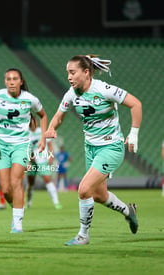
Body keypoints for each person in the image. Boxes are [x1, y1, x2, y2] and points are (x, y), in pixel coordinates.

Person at [45, 54, 142, 246]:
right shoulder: (71, 94)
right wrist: (51, 128)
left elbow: (135, 104)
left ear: (86, 72)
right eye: (67, 73)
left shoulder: (104, 89)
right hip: (90, 148)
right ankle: (127, 211)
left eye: (72, 72)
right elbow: (58, 115)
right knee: (98, 195)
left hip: (111, 147)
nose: (69, 77)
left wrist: (134, 133)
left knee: (83, 189)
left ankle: (83, 236)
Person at [0, 68, 48, 233]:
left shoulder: (30, 99)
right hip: (2, 146)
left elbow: (43, 115)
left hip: (22, 145)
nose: (11, 82)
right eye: (8, 79)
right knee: (5, 189)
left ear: (20, 81)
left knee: (16, 182)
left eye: (15, 79)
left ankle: (17, 222)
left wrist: (43, 138)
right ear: (5, 82)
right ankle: (17, 208)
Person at [26, 114, 62, 209]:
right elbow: (26, 149)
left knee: (48, 180)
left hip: (42, 160)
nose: (33, 123)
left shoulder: (42, 132)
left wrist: (51, 156)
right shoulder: (26, 134)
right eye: (31, 121)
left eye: (34, 121)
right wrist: (28, 162)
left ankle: (56, 202)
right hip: (32, 161)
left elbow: (50, 145)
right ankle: (28, 202)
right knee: (30, 183)